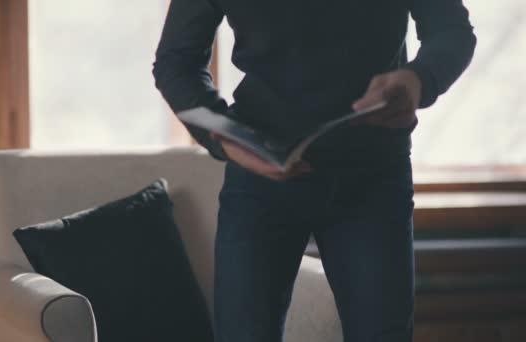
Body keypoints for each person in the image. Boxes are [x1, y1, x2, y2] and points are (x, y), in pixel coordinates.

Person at [152, 0, 476, 341]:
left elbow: (452, 30)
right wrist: (225, 138)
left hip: (372, 177)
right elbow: (176, 62)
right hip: (258, 181)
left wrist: (418, 78)